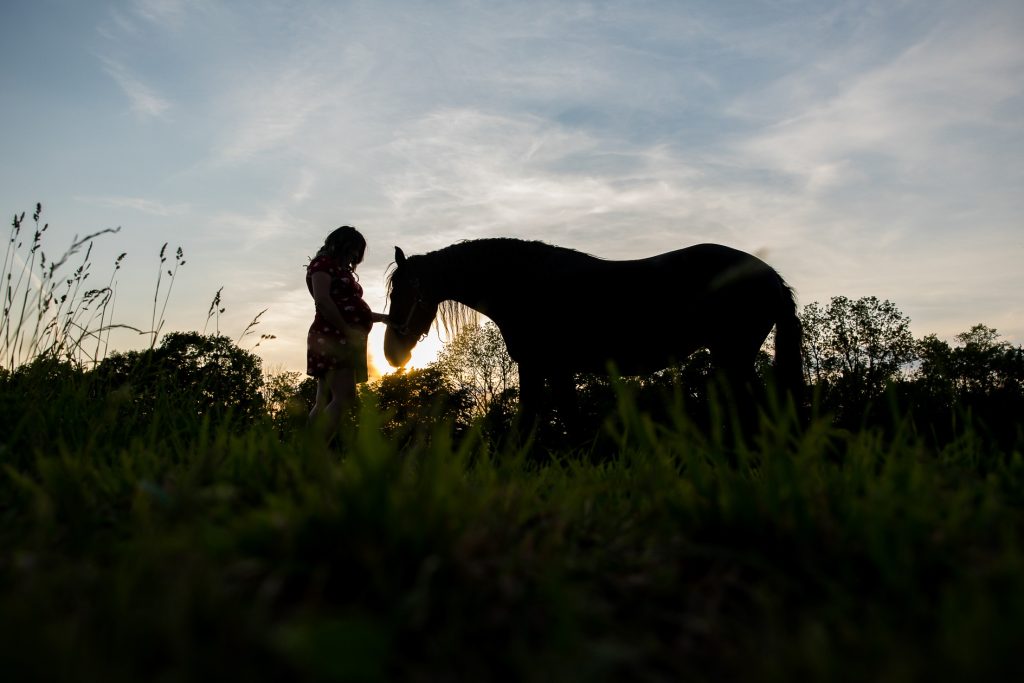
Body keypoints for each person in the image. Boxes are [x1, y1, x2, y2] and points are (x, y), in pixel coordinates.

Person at [306, 226, 388, 435]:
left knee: (323, 399)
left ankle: (305, 451)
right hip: (333, 337)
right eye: (352, 250)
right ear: (341, 245)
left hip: (343, 338)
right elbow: (323, 300)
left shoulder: (339, 270)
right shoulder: (322, 264)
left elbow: (351, 307)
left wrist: (384, 318)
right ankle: (314, 451)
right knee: (345, 398)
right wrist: (346, 330)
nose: (354, 257)